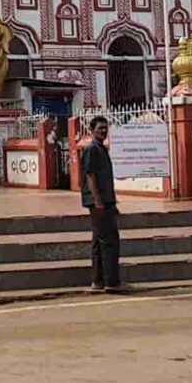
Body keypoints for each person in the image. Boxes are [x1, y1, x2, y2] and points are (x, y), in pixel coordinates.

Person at [78, 117, 124, 292]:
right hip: (98, 203)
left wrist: (112, 203)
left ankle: (98, 280)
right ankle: (111, 281)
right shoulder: (92, 149)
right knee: (109, 242)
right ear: (92, 129)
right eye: (100, 128)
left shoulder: (101, 149)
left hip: (105, 202)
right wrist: (98, 200)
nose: (103, 131)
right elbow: (90, 176)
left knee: (99, 241)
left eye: (105, 128)